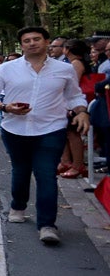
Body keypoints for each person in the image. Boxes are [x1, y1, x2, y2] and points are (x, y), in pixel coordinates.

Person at [0, 27, 89, 245]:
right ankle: (18, 206)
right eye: (27, 40)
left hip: (51, 129)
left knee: (46, 174)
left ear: (47, 42)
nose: (32, 43)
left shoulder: (64, 69)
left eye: (36, 39)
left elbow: (74, 95)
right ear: (21, 45)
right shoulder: (7, 68)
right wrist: (4, 106)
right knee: (21, 170)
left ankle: (47, 224)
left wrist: (82, 112)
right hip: (15, 129)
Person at [59, 39, 93, 178]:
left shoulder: (76, 64)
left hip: (74, 104)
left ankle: (78, 164)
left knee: (73, 134)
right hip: (67, 103)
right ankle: (66, 162)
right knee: (67, 133)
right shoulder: (73, 63)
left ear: (68, 49)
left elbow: (73, 86)